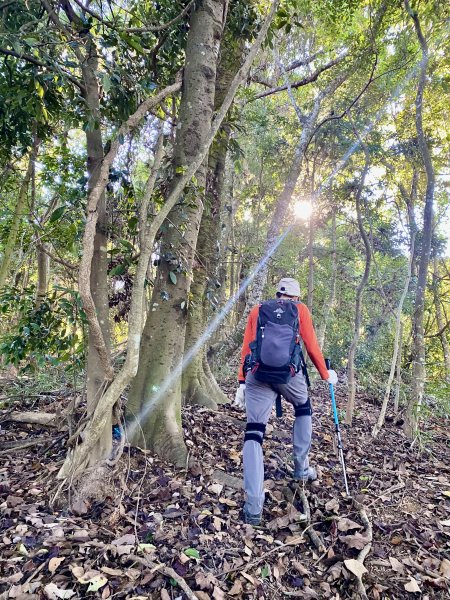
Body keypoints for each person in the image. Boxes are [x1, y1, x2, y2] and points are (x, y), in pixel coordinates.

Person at [234, 277, 338, 525]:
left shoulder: (258, 310)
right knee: (303, 408)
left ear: (277, 294)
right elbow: (311, 347)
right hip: (289, 376)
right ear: (296, 297)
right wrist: (325, 374)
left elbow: (247, 348)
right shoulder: (300, 311)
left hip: (257, 376)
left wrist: (241, 381)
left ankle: (254, 507)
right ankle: (301, 468)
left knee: (254, 432)